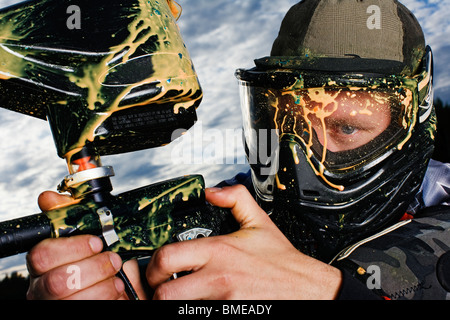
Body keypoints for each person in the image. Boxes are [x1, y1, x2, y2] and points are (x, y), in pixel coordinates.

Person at [26, 0, 450, 300]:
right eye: (283, 125)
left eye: (347, 127)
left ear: (413, 118)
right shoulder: (221, 219)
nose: (299, 165)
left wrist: (328, 293)